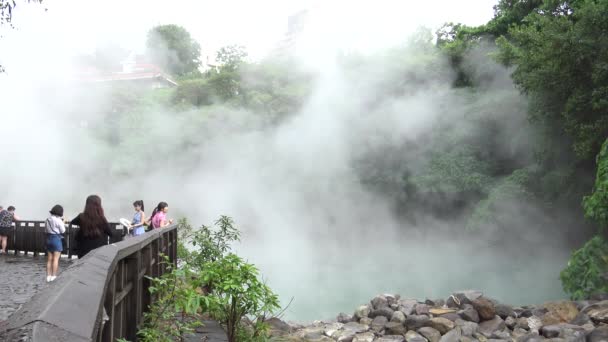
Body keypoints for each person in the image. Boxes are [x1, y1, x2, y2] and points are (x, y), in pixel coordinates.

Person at [45, 205, 66, 282]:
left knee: (49, 259)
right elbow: (63, 231)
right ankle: (54, 276)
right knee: (56, 259)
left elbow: (46, 230)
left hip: (49, 239)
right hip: (56, 239)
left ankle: (48, 276)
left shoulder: (47, 219)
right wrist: (63, 223)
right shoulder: (58, 220)